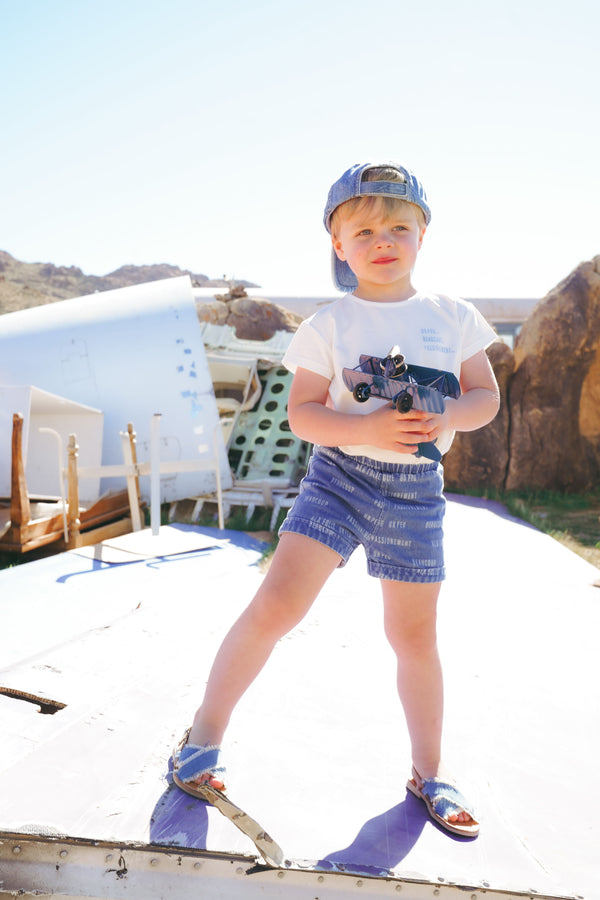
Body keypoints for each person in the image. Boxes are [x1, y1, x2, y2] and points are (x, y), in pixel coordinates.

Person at [173, 160, 500, 837]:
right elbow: (302, 415)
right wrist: (366, 427)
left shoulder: (453, 316)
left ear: (423, 234)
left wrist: (450, 419)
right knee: (277, 605)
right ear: (338, 244)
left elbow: (484, 397)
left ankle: (430, 772)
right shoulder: (329, 324)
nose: (384, 239)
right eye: (365, 229)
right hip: (338, 480)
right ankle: (201, 739)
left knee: (413, 636)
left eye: (399, 227)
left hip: (415, 494)